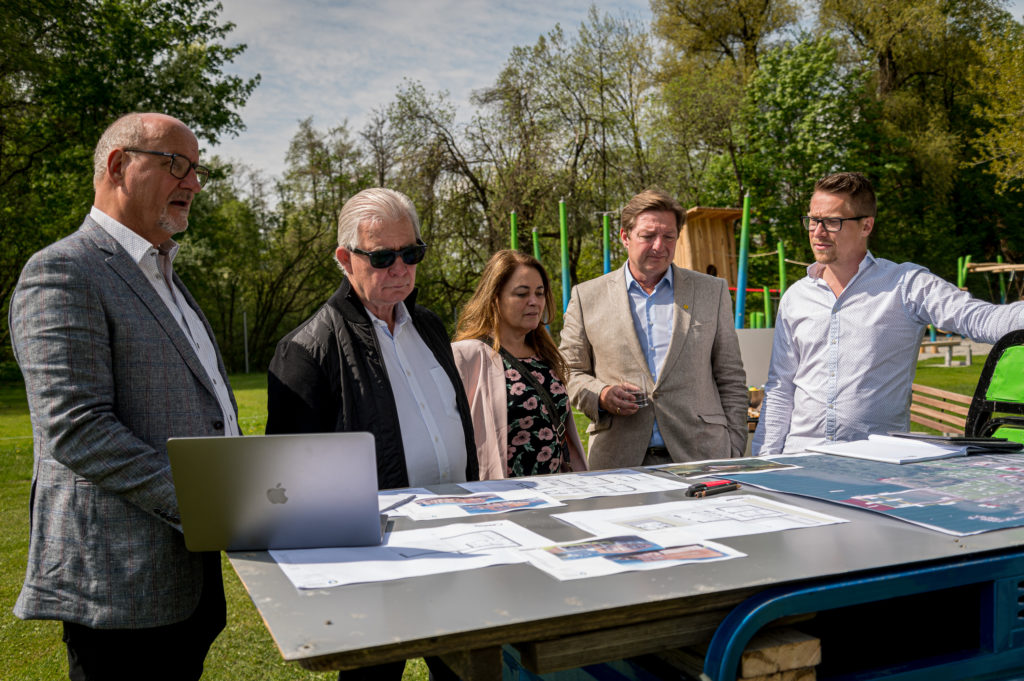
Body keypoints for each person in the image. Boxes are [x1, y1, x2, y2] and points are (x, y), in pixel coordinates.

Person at [10, 113, 239, 680]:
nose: (193, 183)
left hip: (186, 576)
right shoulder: (62, 270)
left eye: (197, 170)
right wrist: (206, 505)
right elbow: (77, 428)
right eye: (176, 165)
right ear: (119, 165)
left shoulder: (164, 273)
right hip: (117, 586)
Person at [265, 187, 474, 681]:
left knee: (466, 668)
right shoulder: (306, 349)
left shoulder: (429, 325)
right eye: (382, 256)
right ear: (344, 258)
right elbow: (290, 489)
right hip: (376, 558)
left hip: (460, 538)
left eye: (412, 253)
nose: (400, 268)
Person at [753, 171, 1024, 455]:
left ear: (866, 226)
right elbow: (781, 389)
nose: (817, 232)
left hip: (874, 464)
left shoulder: (906, 286)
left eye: (832, 222)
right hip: (800, 460)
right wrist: (764, 462)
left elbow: (982, 320)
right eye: (812, 220)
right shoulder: (795, 297)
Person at [559, 188, 749, 467]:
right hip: (619, 461)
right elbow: (569, 371)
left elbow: (730, 376)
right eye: (648, 236)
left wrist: (734, 446)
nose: (660, 246)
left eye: (669, 236)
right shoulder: (587, 297)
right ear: (625, 237)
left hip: (703, 456)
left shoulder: (712, 291)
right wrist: (601, 394)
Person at [452, 250, 588, 479]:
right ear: (495, 298)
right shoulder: (467, 356)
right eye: (522, 294)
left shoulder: (545, 355)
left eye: (540, 293)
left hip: (557, 491)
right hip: (503, 498)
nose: (534, 302)